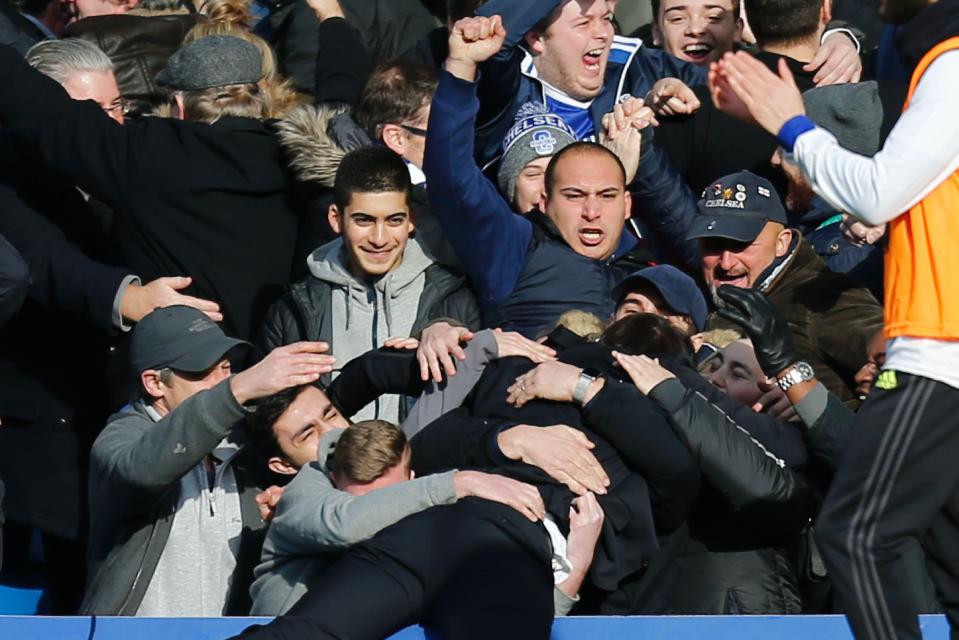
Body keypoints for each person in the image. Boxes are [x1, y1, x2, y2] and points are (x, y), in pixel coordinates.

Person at [710, 0, 959, 632]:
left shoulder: (951, 62)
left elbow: (877, 189)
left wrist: (793, 125)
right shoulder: (931, 58)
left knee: (856, 534)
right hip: (938, 336)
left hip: (940, 344)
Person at [0, 35, 303, 343]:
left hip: (183, 367)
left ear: (180, 107)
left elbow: (46, 113)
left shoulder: (151, 154)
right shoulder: (296, 162)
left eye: (117, 105)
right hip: (280, 358)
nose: (111, 120)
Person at [82, 306, 335, 616]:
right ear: (155, 383)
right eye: (203, 369)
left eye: (227, 366)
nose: (222, 379)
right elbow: (140, 473)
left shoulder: (245, 448)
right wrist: (238, 388)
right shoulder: (121, 438)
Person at [258, 146, 478, 422]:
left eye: (394, 220)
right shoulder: (293, 309)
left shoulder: (453, 298)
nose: (379, 238)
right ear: (336, 219)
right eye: (364, 220)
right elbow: (268, 416)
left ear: (411, 220)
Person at [686, 170, 883, 407]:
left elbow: (907, 375)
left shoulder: (823, 298)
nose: (726, 262)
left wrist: (813, 409)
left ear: (782, 243)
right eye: (713, 244)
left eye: (741, 245)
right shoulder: (721, 295)